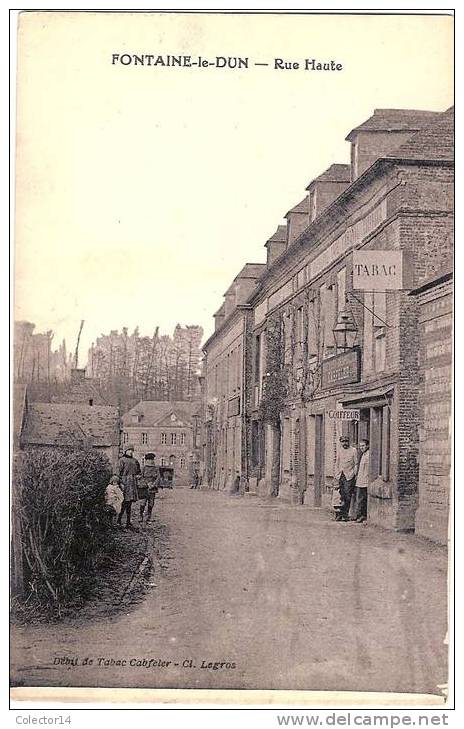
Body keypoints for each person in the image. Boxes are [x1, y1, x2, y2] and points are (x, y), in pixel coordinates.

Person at [335, 435, 358, 522]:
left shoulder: (353, 450)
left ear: (349, 442)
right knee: (340, 494)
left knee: (348, 495)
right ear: (340, 442)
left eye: (346, 441)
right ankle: (339, 514)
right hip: (341, 475)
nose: (345, 443)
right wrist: (336, 475)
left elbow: (356, 463)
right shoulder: (340, 450)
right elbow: (337, 463)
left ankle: (345, 514)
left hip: (349, 475)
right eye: (343, 442)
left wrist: (354, 474)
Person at [117, 445, 141, 529]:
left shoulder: (135, 461)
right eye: (129, 450)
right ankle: (119, 521)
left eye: (132, 450)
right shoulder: (121, 460)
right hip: (124, 483)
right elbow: (118, 473)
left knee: (129, 503)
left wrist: (137, 476)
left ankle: (128, 522)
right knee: (123, 502)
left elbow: (139, 471)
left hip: (132, 483)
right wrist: (120, 483)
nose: (130, 452)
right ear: (125, 451)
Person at [139, 453, 160, 523]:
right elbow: (141, 477)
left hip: (152, 489)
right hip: (144, 488)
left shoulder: (156, 468)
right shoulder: (143, 468)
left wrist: (153, 484)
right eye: (149, 459)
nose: (150, 461)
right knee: (143, 502)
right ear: (146, 460)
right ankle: (141, 516)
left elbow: (158, 478)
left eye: (152, 459)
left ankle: (149, 517)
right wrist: (147, 484)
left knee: (151, 503)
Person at [355, 439, 370, 522]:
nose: (362, 447)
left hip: (365, 481)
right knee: (360, 498)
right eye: (360, 446)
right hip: (360, 480)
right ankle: (358, 515)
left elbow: (367, 470)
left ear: (367, 446)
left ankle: (362, 515)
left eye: (363, 446)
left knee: (363, 499)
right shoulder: (363, 455)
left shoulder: (368, 455)